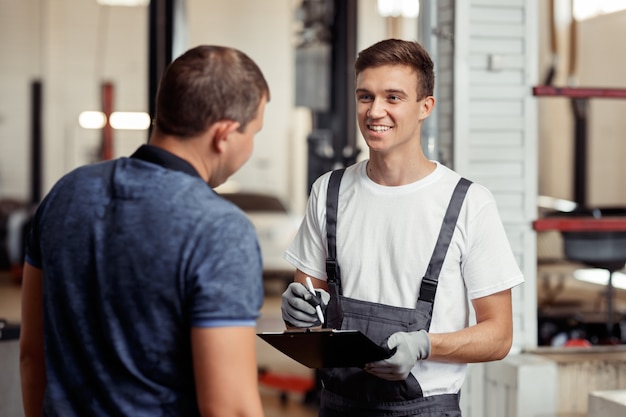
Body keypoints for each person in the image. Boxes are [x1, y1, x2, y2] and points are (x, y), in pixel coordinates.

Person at [19, 45, 270, 417]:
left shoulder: (65, 194)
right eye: (254, 133)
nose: (250, 147)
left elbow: (31, 356)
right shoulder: (219, 229)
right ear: (225, 134)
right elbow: (229, 408)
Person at [281, 38, 524, 416]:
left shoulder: (468, 203)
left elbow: (499, 335)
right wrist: (297, 315)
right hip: (338, 405)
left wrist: (426, 345)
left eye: (393, 97)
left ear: (425, 106)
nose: (375, 110)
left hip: (426, 409)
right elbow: (308, 320)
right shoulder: (328, 191)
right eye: (365, 96)